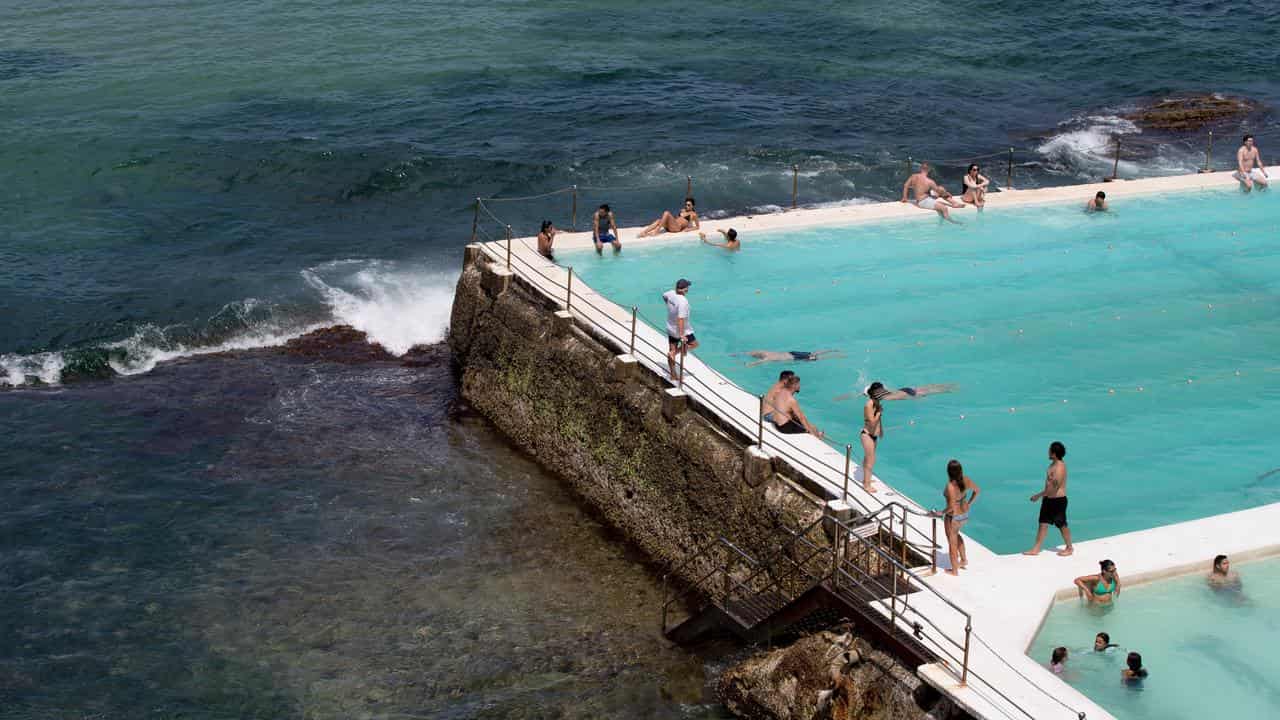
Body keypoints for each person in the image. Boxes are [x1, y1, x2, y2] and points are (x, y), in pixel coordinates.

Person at [1024, 441, 1074, 556]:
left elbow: (1054, 488)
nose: (1048, 452)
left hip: (1058, 501)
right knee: (1043, 523)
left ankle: (1069, 547)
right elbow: (1050, 485)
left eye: (1050, 451)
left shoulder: (1060, 467)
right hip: (1048, 499)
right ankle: (1036, 548)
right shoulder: (1053, 464)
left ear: (1054, 453)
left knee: (1061, 525)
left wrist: (1038, 495)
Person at [934, 459, 980, 575]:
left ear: (948, 472)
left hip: (953, 517)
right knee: (957, 535)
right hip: (964, 515)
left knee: (952, 543)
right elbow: (977, 490)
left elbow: (951, 506)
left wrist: (941, 512)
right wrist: (969, 503)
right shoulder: (966, 480)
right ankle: (963, 560)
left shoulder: (950, 486)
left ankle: (954, 570)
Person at [662, 278, 698, 381]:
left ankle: (673, 375)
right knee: (694, 344)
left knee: (671, 350)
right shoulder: (683, 301)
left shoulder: (671, 293)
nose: (688, 289)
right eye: (687, 287)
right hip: (683, 330)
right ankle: (678, 351)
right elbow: (681, 319)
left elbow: (664, 296)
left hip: (670, 327)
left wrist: (670, 307)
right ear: (684, 289)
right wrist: (682, 335)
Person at [859, 382, 887, 493]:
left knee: (868, 458)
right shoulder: (869, 405)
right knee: (871, 459)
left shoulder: (877, 403)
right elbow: (872, 422)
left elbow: (878, 422)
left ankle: (865, 478)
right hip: (867, 435)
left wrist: (881, 431)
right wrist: (879, 413)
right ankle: (866, 485)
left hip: (874, 435)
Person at [833, 383, 956, 403]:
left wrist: (839, 398)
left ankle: (949, 389)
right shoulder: (884, 391)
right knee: (930, 388)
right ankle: (948, 386)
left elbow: (854, 395)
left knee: (933, 392)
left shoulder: (881, 398)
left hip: (908, 395)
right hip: (904, 389)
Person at [733, 349, 844, 367]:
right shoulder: (765, 352)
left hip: (793, 358)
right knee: (813, 353)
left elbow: (759, 362)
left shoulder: (768, 358)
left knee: (815, 358)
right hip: (791, 353)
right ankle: (833, 350)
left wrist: (748, 365)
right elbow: (752, 353)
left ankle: (835, 355)